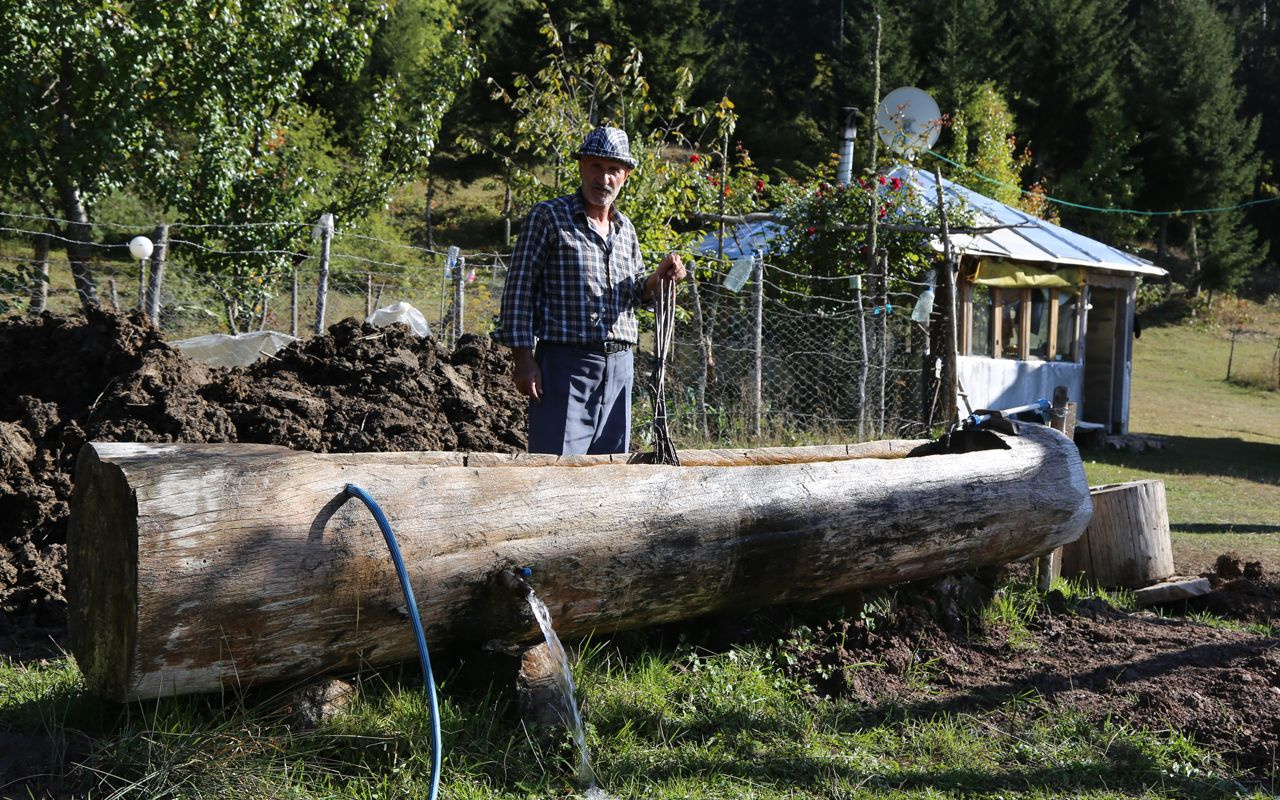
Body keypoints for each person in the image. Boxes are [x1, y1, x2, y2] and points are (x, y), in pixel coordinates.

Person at [497, 126, 686, 455]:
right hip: (566, 363)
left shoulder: (626, 229)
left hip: (620, 365)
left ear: (625, 176)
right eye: (596, 166)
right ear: (582, 167)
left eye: (613, 169)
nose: (604, 178)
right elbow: (518, 289)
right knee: (557, 467)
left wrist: (659, 278)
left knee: (611, 468)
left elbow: (635, 292)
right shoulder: (549, 217)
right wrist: (523, 359)